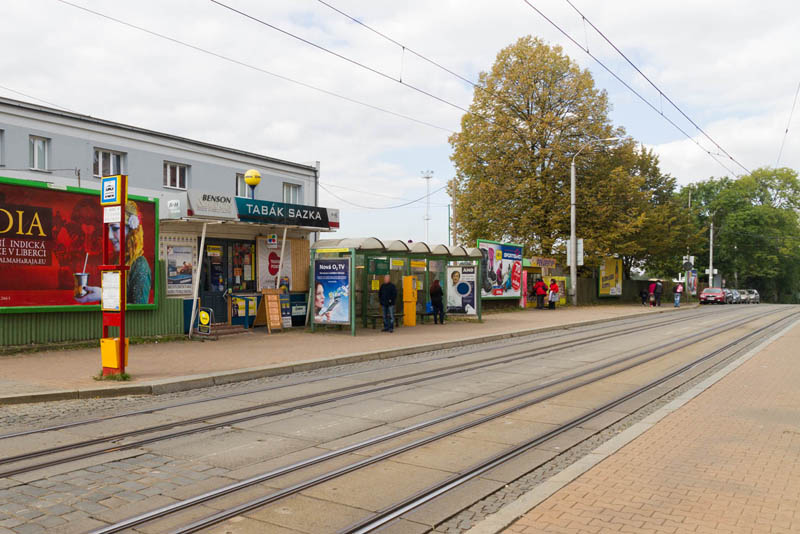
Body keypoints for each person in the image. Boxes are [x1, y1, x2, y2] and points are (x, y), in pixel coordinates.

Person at [76, 200, 152, 304]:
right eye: (109, 229)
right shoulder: (116, 259)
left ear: (131, 231)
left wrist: (103, 295)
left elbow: (139, 312)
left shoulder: (140, 265)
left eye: (115, 229)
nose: (110, 236)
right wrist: (98, 295)